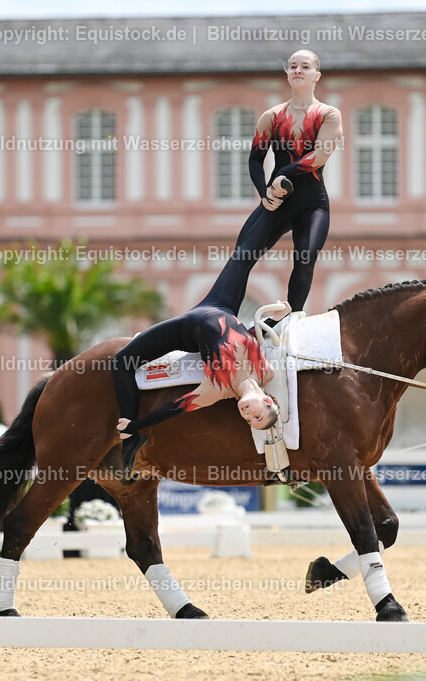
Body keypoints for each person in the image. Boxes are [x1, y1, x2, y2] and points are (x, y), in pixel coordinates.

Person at [111, 277, 291, 481]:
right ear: (268, 401)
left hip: (187, 330)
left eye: (249, 420)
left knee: (120, 363)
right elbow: (248, 337)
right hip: (219, 308)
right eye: (257, 416)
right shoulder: (266, 372)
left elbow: (172, 408)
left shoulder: (216, 390)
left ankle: (131, 441)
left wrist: (133, 427)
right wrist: (276, 319)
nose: (247, 415)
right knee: (243, 260)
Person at [218, 49, 343, 316]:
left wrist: (283, 173)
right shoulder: (272, 116)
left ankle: (292, 317)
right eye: (293, 66)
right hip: (276, 201)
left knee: (305, 259)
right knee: (241, 257)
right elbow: (255, 159)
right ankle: (224, 317)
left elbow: (319, 156)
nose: (298, 70)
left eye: (305, 66)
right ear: (287, 74)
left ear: (317, 75)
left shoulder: (328, 114)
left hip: (312, 204)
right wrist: (265, 192)